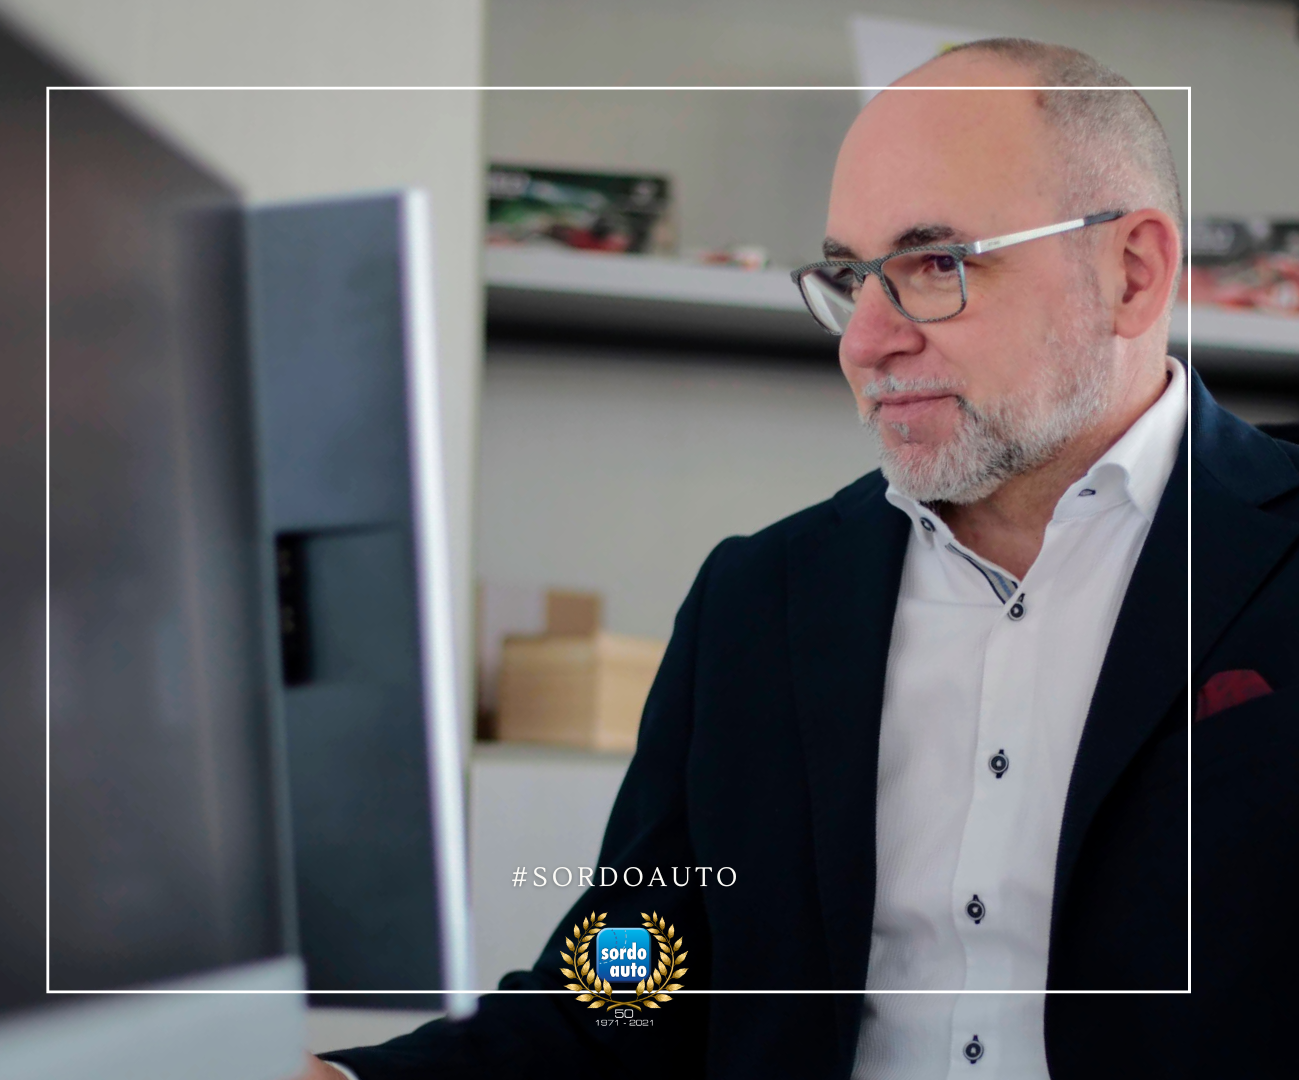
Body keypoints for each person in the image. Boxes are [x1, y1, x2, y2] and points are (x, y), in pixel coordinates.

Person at [301, 38, 1297, 1080]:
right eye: (850, 278)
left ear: (1132, 273)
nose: (864, 342)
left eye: (937, 265)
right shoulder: (756, 602)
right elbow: (623, 997)